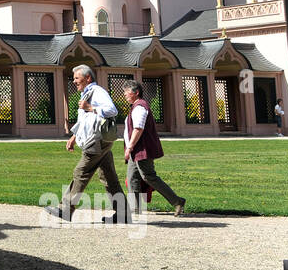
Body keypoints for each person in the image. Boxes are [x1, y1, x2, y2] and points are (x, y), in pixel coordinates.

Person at [45, 64, 126, 223]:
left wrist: (90, 107)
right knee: (108, 177)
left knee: (80, 172)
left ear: (88, 78)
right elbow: (85, 120)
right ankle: (123, 214)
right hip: (100, 140)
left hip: (97, 140)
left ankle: (66, 210)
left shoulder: (97, 92)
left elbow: (112, 110)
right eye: (73, 78)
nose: (74, 81)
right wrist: (74, 137)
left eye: (76, 78)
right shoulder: (87, 93)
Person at [120, 80, 186, 217]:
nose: (125, 94)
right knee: (132, 178)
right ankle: (135, 209)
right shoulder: (135, 107)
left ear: (136, 92)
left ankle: (177, 201)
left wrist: (130, 146)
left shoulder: (140, 107)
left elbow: (138, 128)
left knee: (149, 177)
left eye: (127, 91)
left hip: (141, 149)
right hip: (136, 150)